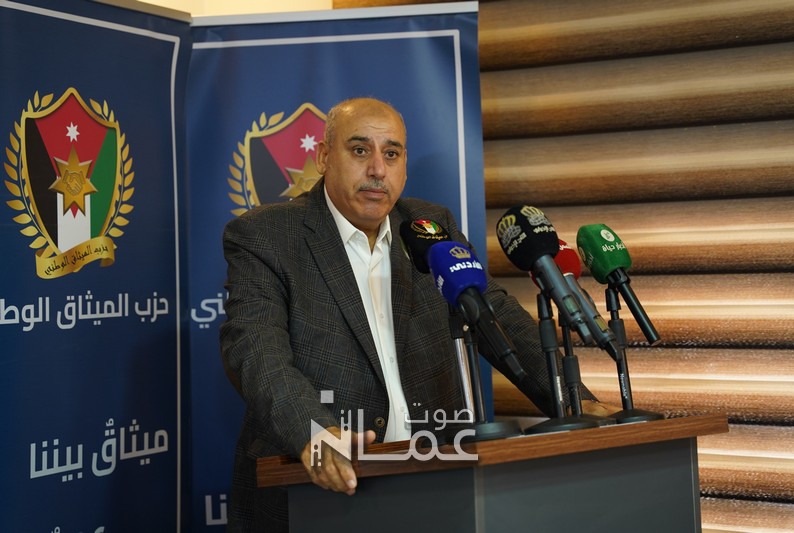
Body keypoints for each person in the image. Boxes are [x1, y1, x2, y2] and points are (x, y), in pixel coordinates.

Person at [219, 97, 616, 532]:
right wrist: (314, 433)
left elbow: (496, 314)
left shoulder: (430, 226)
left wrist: (576, 402)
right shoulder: (267, 235)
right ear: (323, 157)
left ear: (404, 165)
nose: (377, 169)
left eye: (391, 154)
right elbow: (256, 349)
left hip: (433, 482)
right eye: (359, 150)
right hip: (316, 495)